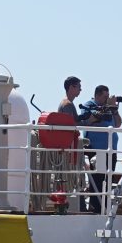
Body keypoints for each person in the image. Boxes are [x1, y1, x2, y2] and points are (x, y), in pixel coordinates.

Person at [35, 77, 83, 209]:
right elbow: (71, 124)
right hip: (66, 147)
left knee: (63, 175)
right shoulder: (67, 105)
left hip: (65, 145)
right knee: (65, 175)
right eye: (79, 87)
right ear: (71, 87)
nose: (80, 90)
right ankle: (62, 200)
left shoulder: (66, 103)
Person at [75, 83, 121, 214]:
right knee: (97, 180)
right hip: (97, 150)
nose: (107, 99)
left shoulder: (109, 108)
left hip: (110, 150)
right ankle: (96, 207)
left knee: (108, 179)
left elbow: (118, 124)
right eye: (105, 97)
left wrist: (114, 109)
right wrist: (104, 109)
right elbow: (88, 121)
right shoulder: (88, 105)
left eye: (108, 96)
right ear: (97, 96)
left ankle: (105, 206)